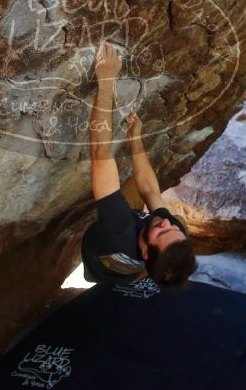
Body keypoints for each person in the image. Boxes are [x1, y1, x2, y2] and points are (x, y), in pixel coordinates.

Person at [81, 41, 197, 286]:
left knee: (106, 265)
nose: (167, 223)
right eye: (173, 230)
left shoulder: (118, 231)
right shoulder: (172, 233)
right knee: (142, 189)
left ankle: (97, 277)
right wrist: (135, 139)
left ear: (146, 253)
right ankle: (136, 273)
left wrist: (106, 81)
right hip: (136, 264)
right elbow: (149, 190)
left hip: (100, 256)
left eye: (163, 232)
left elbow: (100, 152)